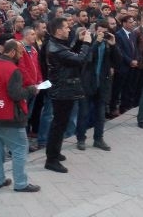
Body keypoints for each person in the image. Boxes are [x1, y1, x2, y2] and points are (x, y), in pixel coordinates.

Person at [0, 39, 40, 192]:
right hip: (10, 115)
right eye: (20, 53)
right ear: (13, 52)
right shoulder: (13, 70)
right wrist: (31, 90)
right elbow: (16, 94)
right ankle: (21, 183)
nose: (21, 56)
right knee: (20, 147)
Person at [44, 17, 93, 173]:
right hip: (62, 91)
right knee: (58, 125)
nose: (69, 30)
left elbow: (70, 54)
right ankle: (51, 159)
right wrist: (86, 43)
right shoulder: (55, 48)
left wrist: (78, 42)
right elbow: (79, 59)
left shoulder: (57, 44)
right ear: (58, 31)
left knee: (61, 124)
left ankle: (55, 152)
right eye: (66, 27)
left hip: (65, 88)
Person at [78, 22, 117, 151]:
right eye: (100, 31)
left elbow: (119, 60)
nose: (102, 34)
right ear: (95, 30)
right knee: (84, 113)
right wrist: (97, 42)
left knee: (100, 114)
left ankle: (98, 139)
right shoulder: (88, 41)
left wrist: (114, 45)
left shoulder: (108, 44)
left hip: (103, 84)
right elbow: (87, 58)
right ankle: (81, 139)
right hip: (88, 83)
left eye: (105, 31)